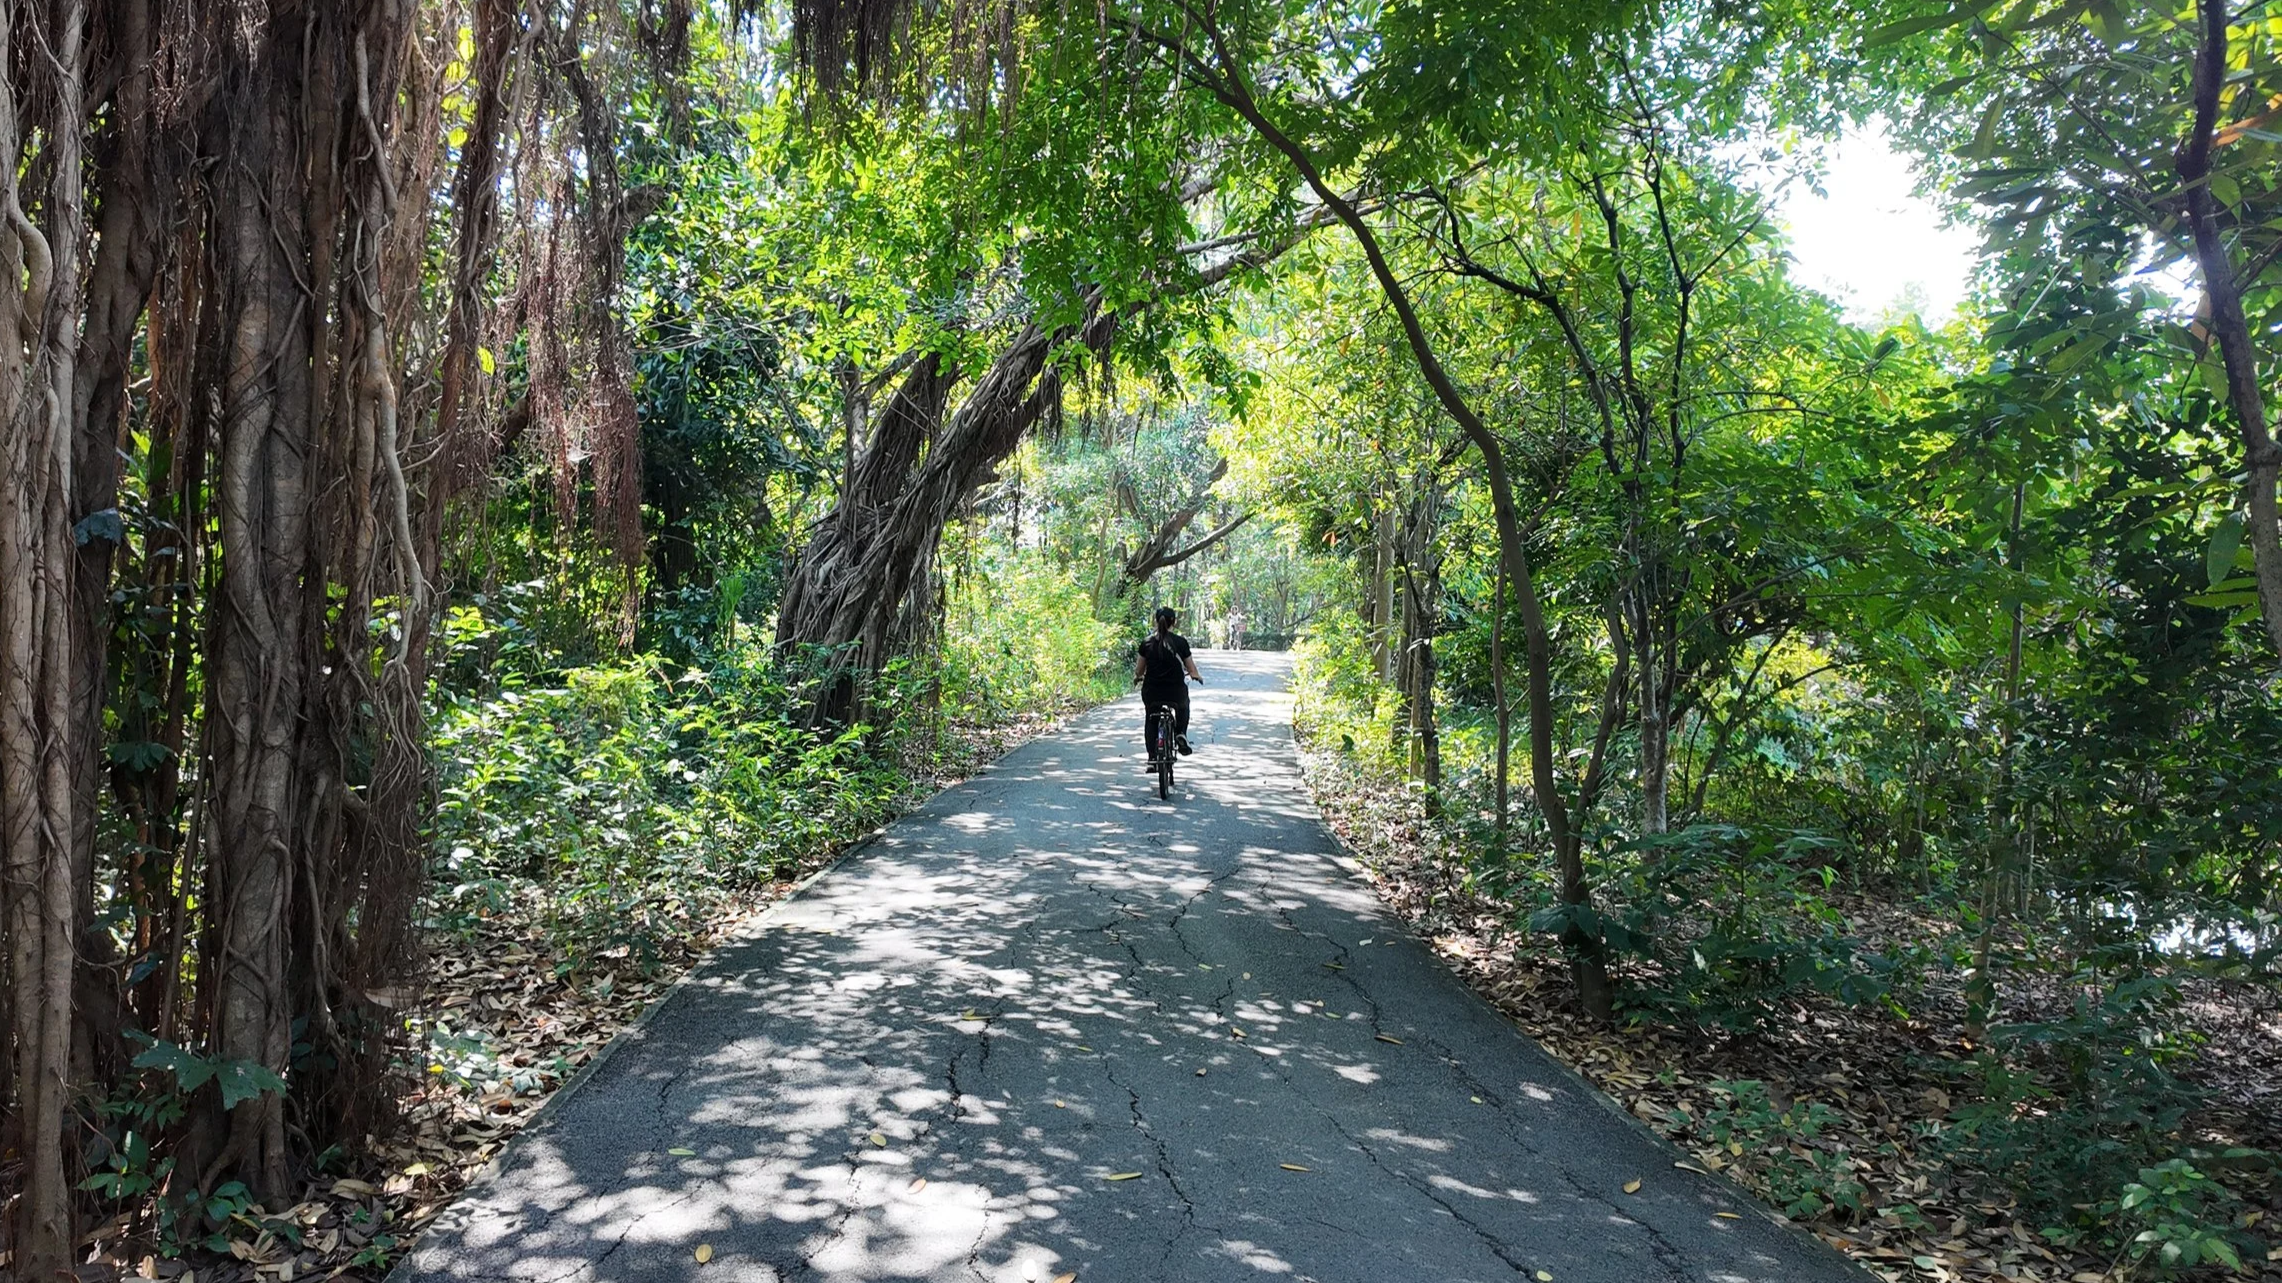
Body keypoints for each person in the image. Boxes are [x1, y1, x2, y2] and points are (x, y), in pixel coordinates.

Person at [1134, 605, 1201, 759]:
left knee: (1151, 718)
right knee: (1183, 707)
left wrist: (1137, 677)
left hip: (1152, 692)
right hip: (1175, 693)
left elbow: (1139, 670)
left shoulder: (1147, 643)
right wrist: (1196, 676)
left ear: (1156, 621)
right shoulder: (1181, 642)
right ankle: (1180, 733)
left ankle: (1152, 758)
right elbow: (1191, 669)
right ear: (1174, 622)